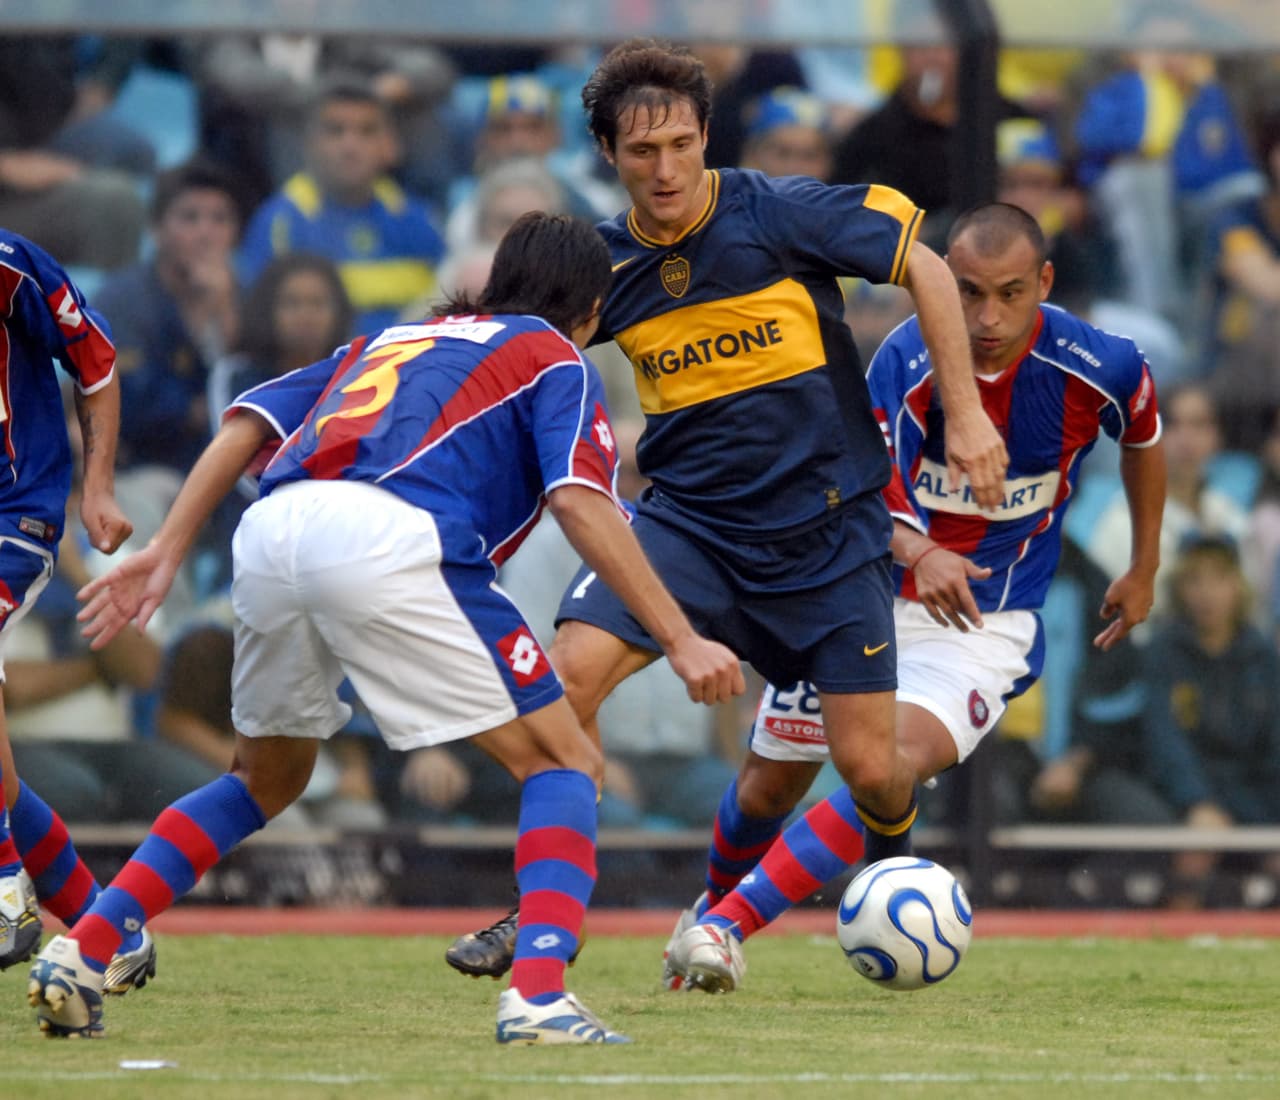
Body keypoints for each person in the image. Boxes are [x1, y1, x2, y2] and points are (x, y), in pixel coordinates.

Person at [26, 212, 742, 1044]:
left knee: (264, 779)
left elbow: (248, 425)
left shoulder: (395, 340)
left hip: (275, 524)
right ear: (591, 305)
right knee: (566, 759)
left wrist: (166, 548)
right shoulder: (554, 353)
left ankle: (85, 946)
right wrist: (682, 638)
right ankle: (540, 997)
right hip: (392, 534)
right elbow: (579, 500)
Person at [445, 38, 1008, 981]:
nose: (664, 169)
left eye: (680, 145)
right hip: (689, 531)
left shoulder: (778, 212)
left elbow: (934, 270)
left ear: (707, 136)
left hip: (831, 535)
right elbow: (515, 352)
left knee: (874, 772)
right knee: (563, 681)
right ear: (608, 156)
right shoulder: (602, 265)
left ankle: (881, 884)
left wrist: (965, 416)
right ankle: (539, 910)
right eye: (640, 152)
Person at [662, 202, 1166, 993]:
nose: (987, 316)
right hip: (861, 596)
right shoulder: (902, 361)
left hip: (986, 623)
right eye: (967, 292)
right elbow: (861, 492)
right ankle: (707, 910)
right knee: (767, 784)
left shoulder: (1099, 362)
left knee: (882, 767)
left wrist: (1144, 563)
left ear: (1045, 282)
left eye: (1008, 293)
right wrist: (920, 548)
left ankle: (725, 928)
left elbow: (1143, 437)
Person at [0, 229, 155, 993]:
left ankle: (4, 894)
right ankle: (106, 928)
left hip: (12, 510)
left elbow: (93, 359)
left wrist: (96, 489)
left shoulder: (8, 263)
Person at [237, 79, 445, 337]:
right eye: (335, 131)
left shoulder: (420, 220)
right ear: (308, 142)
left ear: (389, 144)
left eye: (367, 131)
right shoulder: (278, 223)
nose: (350, 145)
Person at [1142, 533, 1280, 909]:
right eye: (1195, 579)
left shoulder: (1263, 655)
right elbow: (1164, 739)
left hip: (1253, 795)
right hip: (1187, 795)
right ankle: (1172, 946)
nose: (1207, 593)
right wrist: (1197, 800)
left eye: (1219, 578)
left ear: (1238, 585)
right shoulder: (1162, 652)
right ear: (1179, 588)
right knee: (1195, 850)